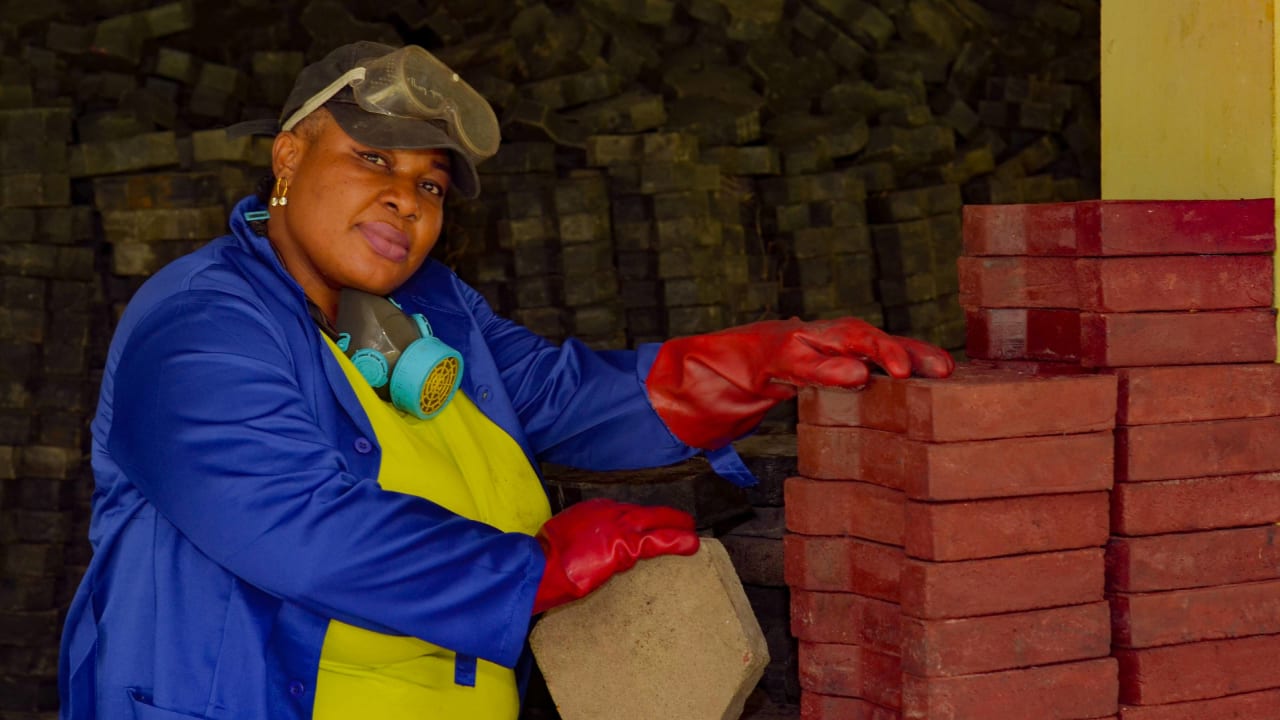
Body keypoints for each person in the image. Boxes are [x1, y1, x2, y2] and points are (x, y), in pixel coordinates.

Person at [58, 41, 954, 720]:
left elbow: (557, 398)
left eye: (431, 185)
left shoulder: (429, 307)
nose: (406, 198)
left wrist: (755, 364)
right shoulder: (201, 322)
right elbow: (288, 518)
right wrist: (532, 570)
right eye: (373, 159)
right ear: (289, 156)